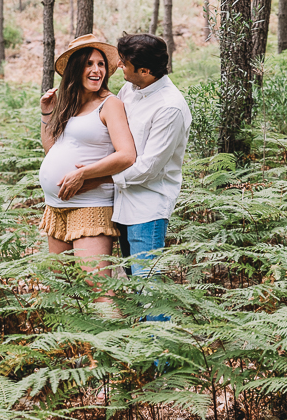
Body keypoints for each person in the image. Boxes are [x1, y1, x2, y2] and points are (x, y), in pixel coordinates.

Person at [60, 33, 192, 320]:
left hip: (147, 208)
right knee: (135, 285)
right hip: (120, 204)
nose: (118, 65)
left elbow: (148, 167)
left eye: (125, 63)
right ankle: (142, 345)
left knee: (149, 290)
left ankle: (161, 349)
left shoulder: (169, 107)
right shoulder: (130, 90)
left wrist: (94, 178)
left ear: (144, 70)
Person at [39, 33, 136, 304]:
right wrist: (47, 112)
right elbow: (51, 149)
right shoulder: (70, 104)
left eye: (101, 64)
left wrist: (83, 173)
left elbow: (127, 155)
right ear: (75, 69)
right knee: (62, 284)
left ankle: (111, 333)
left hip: (91, 205)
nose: (97, 70)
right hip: (56, 207)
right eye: (89, 64)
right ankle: (74, 335)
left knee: (97, 287)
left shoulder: (110, 104)